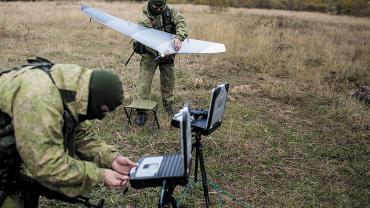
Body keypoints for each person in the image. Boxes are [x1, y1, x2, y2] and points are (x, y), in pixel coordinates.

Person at [0, 58, 136, 207]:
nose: (101, 116)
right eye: (103, 111)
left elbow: (82, 135)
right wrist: (99, 175)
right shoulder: (40, 98)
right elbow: (46, 164)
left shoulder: (77, 88)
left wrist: (111, 159)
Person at [133, 0, 188, 126]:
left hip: (168, 51)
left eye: (161, 7)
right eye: (155, 7)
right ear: (151, 4)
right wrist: (161, 50)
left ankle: (168, 106)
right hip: (150, 52)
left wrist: (179, 37)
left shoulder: (170, 10)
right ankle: (141, 111)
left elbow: (181, 22)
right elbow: (147, 39)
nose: (158, 9)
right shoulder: (144, 18)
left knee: (169, 80)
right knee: (144, 82)